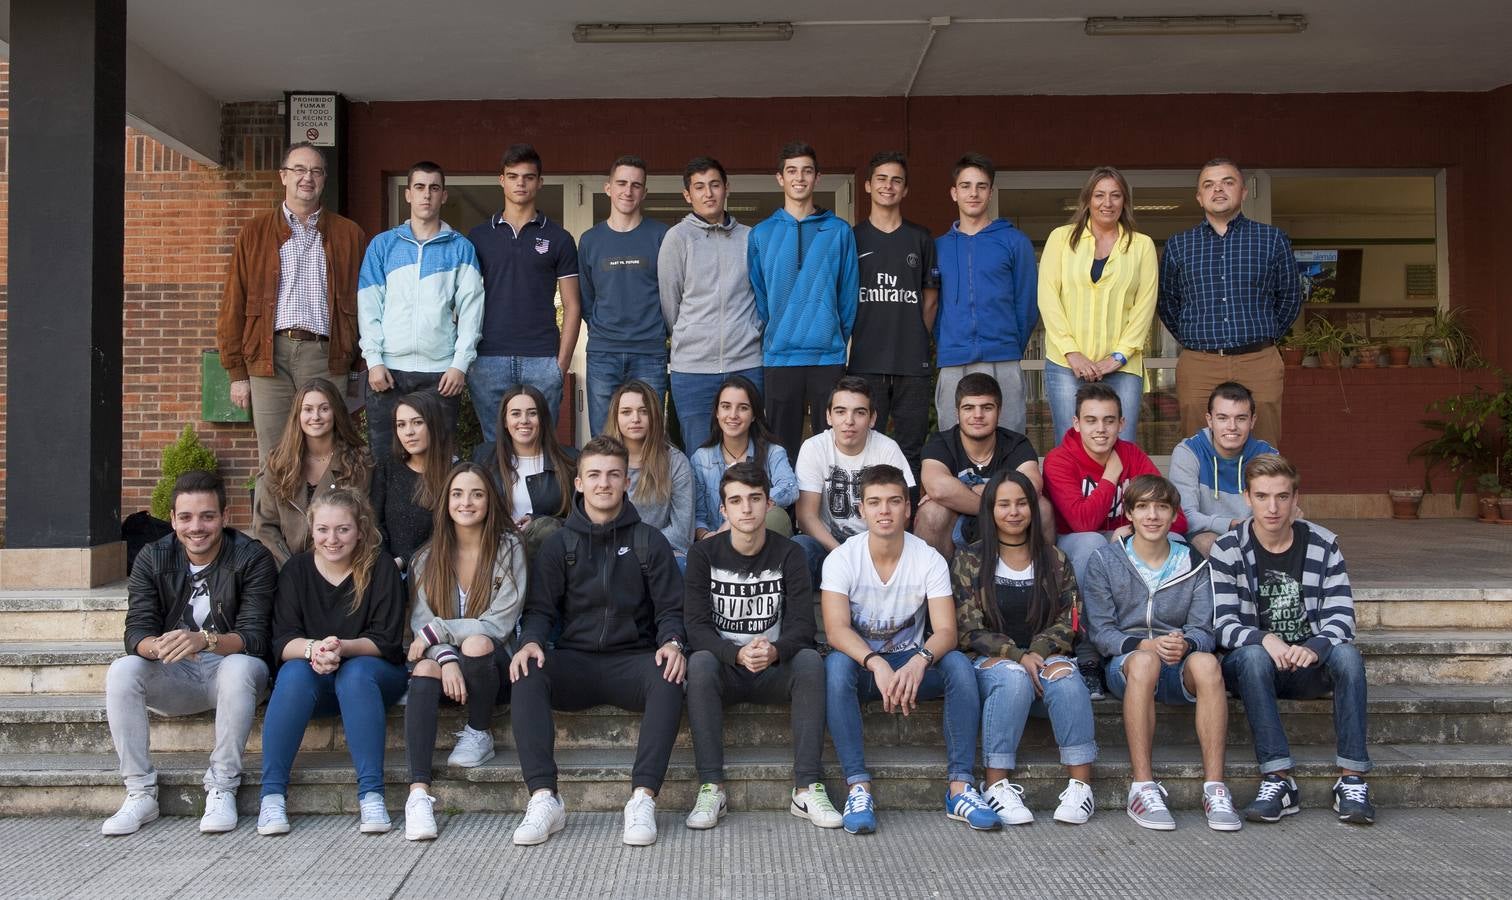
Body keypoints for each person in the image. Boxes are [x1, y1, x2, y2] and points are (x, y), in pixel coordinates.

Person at [506, 436, 688, 848]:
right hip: (576, 662)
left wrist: (673, 642)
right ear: (579, 483)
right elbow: (539, 610)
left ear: (627, 481)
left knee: (669, 674)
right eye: (594, 475)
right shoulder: (559, 544)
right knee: (526, 670)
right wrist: (531, 640)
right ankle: (544, 799)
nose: (604, 483)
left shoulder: (649, 541)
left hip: (633, 662)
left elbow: (670, 611)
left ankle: (642, 799)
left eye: (613, 474)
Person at [821, 464, 996, 834]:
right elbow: (836, 630)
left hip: (911, 667)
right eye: (875, 502)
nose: (884, 510)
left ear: (908, 509)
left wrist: (920, 661)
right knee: (835, 667)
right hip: (866, 671)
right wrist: (874, 663)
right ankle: (858, 787)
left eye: (894, 502)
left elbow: (947, 630)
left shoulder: (927, 557)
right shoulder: (841, 559)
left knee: (960, 667)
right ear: (861, 510)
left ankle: (960, 788)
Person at [102, 471, 276, 836]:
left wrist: (204, 640)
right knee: (123, 670)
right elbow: (136, 630)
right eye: (186, 517)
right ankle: (140, 793)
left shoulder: (251, 557)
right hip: (176, 672)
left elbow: (256, 637)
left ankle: (222, 786)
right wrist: (158, 645)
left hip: (232, 675)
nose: (196, 527)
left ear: (224, 518)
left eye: (207, 516)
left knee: (241, 666)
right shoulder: (153, 556)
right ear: (172, 519)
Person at [1213, 454, 1375, 825]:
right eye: (1263, 496)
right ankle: (1278, 779)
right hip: (1254, 668)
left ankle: (1351, 780)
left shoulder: (1323, 543)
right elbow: (1221, 624)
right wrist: (1265, 640)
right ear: (1247, 497)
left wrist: (1314, 647)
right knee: (1252, 656)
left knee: (1347, 656)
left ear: (1295, 497)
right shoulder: (1228, 548)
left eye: (1282, 497)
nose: (1273, 507)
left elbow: (1342, 618)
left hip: (1308, 665)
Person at [682, 462, 840, 830]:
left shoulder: (790, 554)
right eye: (736, 501)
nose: (746, 508)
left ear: (769, 504)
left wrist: (774, 651)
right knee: (701, 663)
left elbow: (803, 625)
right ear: (723, 509)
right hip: (726, 669)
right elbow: (696, 628)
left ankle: (807, 787)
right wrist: (733, 653)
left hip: (774, 669)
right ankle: (711, 786)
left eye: (755, 499)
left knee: (809, 662)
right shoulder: (703, 556)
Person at [1081, 475, 1241, 833]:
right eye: (1142, 507)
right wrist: (1145, 645)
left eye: (1161, 507)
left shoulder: (1196, 563)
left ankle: (1215, 788)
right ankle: (1142, 786)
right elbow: (1101, 631)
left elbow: (1205, 629)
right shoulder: (1105, 561)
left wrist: (1187, 643)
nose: (1152, 515)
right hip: (1128, 666)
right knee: (1145, 661)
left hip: (1177, 663)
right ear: (1129, 515)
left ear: (1173, 516)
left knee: (1207, 662)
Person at [256, 489, 408, 836]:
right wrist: (313, 650)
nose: (332, 539)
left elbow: (386, 641)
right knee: (293, 671)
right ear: (311, 529)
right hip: (315, 677)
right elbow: (282, 640)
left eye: (343, 529)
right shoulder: (296, 571)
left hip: (375, 676)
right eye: (323, 529)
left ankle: (371, 796)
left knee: (355, 673)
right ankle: (272, 797)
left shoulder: (379, 566)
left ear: (360, 529)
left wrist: (340, 648)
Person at [950, 470, 1097, 828]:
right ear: (990, 510)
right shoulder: (969, 560)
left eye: (1021, 503)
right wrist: (1018, 655)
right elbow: (967, 627)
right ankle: (996, 783)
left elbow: (1071, 619)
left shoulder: (1055, 559)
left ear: (1033, 508)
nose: (1013, 512)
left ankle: (1081, 785)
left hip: (1046, 656)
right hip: (991, 660)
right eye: (1004, 504)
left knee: (1065, 676)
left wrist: (1041, 651)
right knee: (1014, 677)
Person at [218, 141, 366, 464]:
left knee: (330, 455)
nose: (307, 177)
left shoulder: (349, 234)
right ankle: (271, 518)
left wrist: (357, 366)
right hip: (269, 354)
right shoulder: (254, 233)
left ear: (324, 179)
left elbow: (364, 302)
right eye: (299, 169)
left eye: (315, 171)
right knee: (273, 458)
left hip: (327, 355)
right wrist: (237, 373)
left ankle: (327, 517)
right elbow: (233, 303)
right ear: (283, 176)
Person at [403, 463, 528, 841]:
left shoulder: (510, 548)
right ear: (445, 502)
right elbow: (419, 626)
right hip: (446, 668)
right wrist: (445, 657)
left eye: (477, 494)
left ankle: (479, 730)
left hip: (495, 667)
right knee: (424, 670)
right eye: (457, 494)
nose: (466, 502)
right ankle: (419, 793)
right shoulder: (426, 558)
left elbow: (499, 624)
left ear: (490, 501)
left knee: (477, 642)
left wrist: (439, 633)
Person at [1158, 158, 1302, 448]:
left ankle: (1261, 496)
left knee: (1263, 448)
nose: (1218, 190)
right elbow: (1167, 302)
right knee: (1198, 447)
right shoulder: (1179, 244)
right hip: (1200, 362)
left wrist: (1265, 334)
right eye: (1208, 185)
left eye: (1227, 182)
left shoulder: (1272, 240)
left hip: (1258, 359)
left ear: (1243, 192)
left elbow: (1290, 297)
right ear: (1199, 197)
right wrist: (1195, 338)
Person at [357, 160, 484, 460]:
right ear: (408, 194)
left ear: (444, 195)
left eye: (434, 188)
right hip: (387, 373)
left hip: (439, 375)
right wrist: (373, 360)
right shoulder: (383, 246)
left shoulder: (460, 248)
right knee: (384, 463)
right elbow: (368, 305)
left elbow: (472, 311)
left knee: (437, 464)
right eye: (419, 187)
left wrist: (460, 365)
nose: (427, 194)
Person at [749, 141, 860, 461]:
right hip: (780, 358)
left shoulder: (838, 231)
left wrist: (833, 334)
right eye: (792, 171)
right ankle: (785, 513)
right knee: (781, 450)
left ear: (817, 178)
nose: (799, 178)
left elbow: (848, 296)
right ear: (780, 178)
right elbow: (760, 295)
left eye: (807, 171)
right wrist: (778, 331)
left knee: (833, 449)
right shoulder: (761, 234)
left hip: (828, 357)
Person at [467, 143, 581, 437]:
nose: (521, 182)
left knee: (541, 447)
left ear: (539, 182)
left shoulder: (559, 238)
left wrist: (561, 364)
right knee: (495, 450)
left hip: (542, 359)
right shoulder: (478, 237)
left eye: (528, 177)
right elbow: (461, 300)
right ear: (501, 180)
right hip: (487, 358)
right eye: (513, 176)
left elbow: (572, 304)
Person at [1038, 166, 1158, 442]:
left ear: (1125, 201)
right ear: (1087, 199)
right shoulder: (1061, 238)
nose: (1107, 203)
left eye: (1116, 195)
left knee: (1120, 445)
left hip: (1122, 367)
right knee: (1070, 445)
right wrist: (1072, 352)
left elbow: (1144, 307)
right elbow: (1047, 297)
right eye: (1099, 195)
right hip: (1066, 364)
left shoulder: (1142, 246)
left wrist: (1117, 357)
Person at [659, 156, 765, 452]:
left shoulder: (750, 238)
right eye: (700, 187)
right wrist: (690, 332)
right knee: (699, 453)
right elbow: (671, 303)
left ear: (726, 188)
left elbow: (761, 296)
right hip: (692, 369)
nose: (708, 193)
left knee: (748, 453)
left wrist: (750, 330)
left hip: (745, 363)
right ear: (687, 195)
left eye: (715, 185)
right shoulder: (677, 239)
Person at [848, 151, 939, 482]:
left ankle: (908, 523)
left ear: (905, 190)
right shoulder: (852, 239)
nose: (889, 186)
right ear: (869, 186)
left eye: (896, 180)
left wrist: (914, 336)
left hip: (911, 365)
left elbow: (930, 301)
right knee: (864, 447)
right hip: (865, 362)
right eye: (882, 179)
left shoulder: (921, 238)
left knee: (910, 449)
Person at [933, 153, 1038, 434]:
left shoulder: (1014, 242)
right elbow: (934, 305)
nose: (973, 193)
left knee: (1009, 437)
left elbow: (1027, 303)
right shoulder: (939, 248)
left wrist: (1009, 342)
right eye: (965, 186)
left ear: (990, 192)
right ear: (954, 193)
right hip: (954, 359)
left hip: (1002, 356)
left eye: (981, 186)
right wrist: (947, 341)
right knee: (953, 439)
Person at [1043, 382, 1187, 579]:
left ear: (1121, 424)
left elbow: (1176, 518)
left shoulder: (1132, 455)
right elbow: (1083, 524)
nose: (1101, 429)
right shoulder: (1059, 459)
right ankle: (1087, 610)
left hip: (1126, 533)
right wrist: (1110, 475)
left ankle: (1159, 609)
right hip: (1075, 541)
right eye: (1091, 420)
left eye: (1109, 421)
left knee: (1174, 539)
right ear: (1077, 424)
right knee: (1092, 542)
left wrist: (1133, 529)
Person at [792, 375, 914, 588]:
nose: (849, 421)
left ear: (873, 418)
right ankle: (800, 618)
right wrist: (843, 554)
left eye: (859, 412)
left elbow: (901, 514)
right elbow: (806, 516)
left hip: (877, 547)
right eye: (840, 412)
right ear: (829, 416)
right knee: (800, 548)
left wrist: (865, 556)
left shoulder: (887, 448)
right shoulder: (814, 447)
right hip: (829, 546)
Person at [581, 155, 671, 435]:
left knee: (648, 436)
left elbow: (672, 293)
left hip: (650, 352)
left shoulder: (662, 236)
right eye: (621, 183)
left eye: (635, 185)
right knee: (604, 435)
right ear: (608, 188)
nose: (627, 191)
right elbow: (586, 298)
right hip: (603, 353)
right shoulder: (590, 240)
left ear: (644, 192)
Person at [915, 373, 1046, 560]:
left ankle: (1042, 581)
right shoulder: (940, 442)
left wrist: (962, 492)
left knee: (1042, 507)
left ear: (999, 412)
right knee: (932, 512)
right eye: (969, 408)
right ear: (957, 413)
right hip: (958, 522)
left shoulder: (1016, 443)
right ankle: (937, 588)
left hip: (1010, 524)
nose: (978, 415)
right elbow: (938, 488)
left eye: (987, 407)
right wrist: (997, 503)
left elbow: (1032, 484)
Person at [253, 377, 373, 567]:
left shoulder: (357, 461)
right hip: (287, 568)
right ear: (297, 415)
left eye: (324, 409)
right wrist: (291, 568)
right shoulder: (278, 463)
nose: (315, 416)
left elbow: (364, 522)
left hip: (342, 566)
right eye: (308, 409)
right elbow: (265, 526)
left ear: (336, 413)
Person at [1169, 381, 1279, 555]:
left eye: (1241, 418)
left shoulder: (1266, 456)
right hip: (1205, 536)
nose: (1232, 426)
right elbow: (1184, 515)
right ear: (1209, 420)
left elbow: (1278, 511)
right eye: (1222, 418)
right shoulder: (1189, 452)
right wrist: (1230, 524)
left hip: (1255, 536)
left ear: (1252, 421)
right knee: (1210, 543)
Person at [474, 384, 579, 557]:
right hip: (495, 552)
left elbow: (581, 517)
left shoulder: (569, 460)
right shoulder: (484, 457)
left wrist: (538, 522)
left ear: (543, 419)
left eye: (532, 413)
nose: (524, 420)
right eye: (515, 414)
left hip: (549, 556)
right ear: (505, 421)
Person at [690, 375, 798, 540]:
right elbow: (698, 515)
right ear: (717, 413)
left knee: (775, 516)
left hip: (760, 543)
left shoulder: (773, 452)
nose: (733, 415)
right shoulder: (701, 459)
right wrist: (707, 536)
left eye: (743, 408)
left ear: (754, 414)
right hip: (717, 543)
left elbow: (790, 488)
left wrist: (737, 518)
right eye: (726, 407)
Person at [602, 380, 695, 568]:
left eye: (643, 411)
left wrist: (637, 549)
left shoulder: (676, 462)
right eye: (626, 412)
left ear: (654, 416)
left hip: (659, 552)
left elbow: (682, 533)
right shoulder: (600, 460)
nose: (635, 418)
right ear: (615, 417)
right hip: (608, 551)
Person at [369, 390, 455, 571]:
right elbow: (375, 523)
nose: (409, 432)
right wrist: (386, 565)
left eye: (417, 422)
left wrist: (404, 561)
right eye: (401, 425)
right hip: (388, 571)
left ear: (434, 424)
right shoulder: (388, 467)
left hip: (437, 572)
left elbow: (451, 534)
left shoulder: (456, 473)